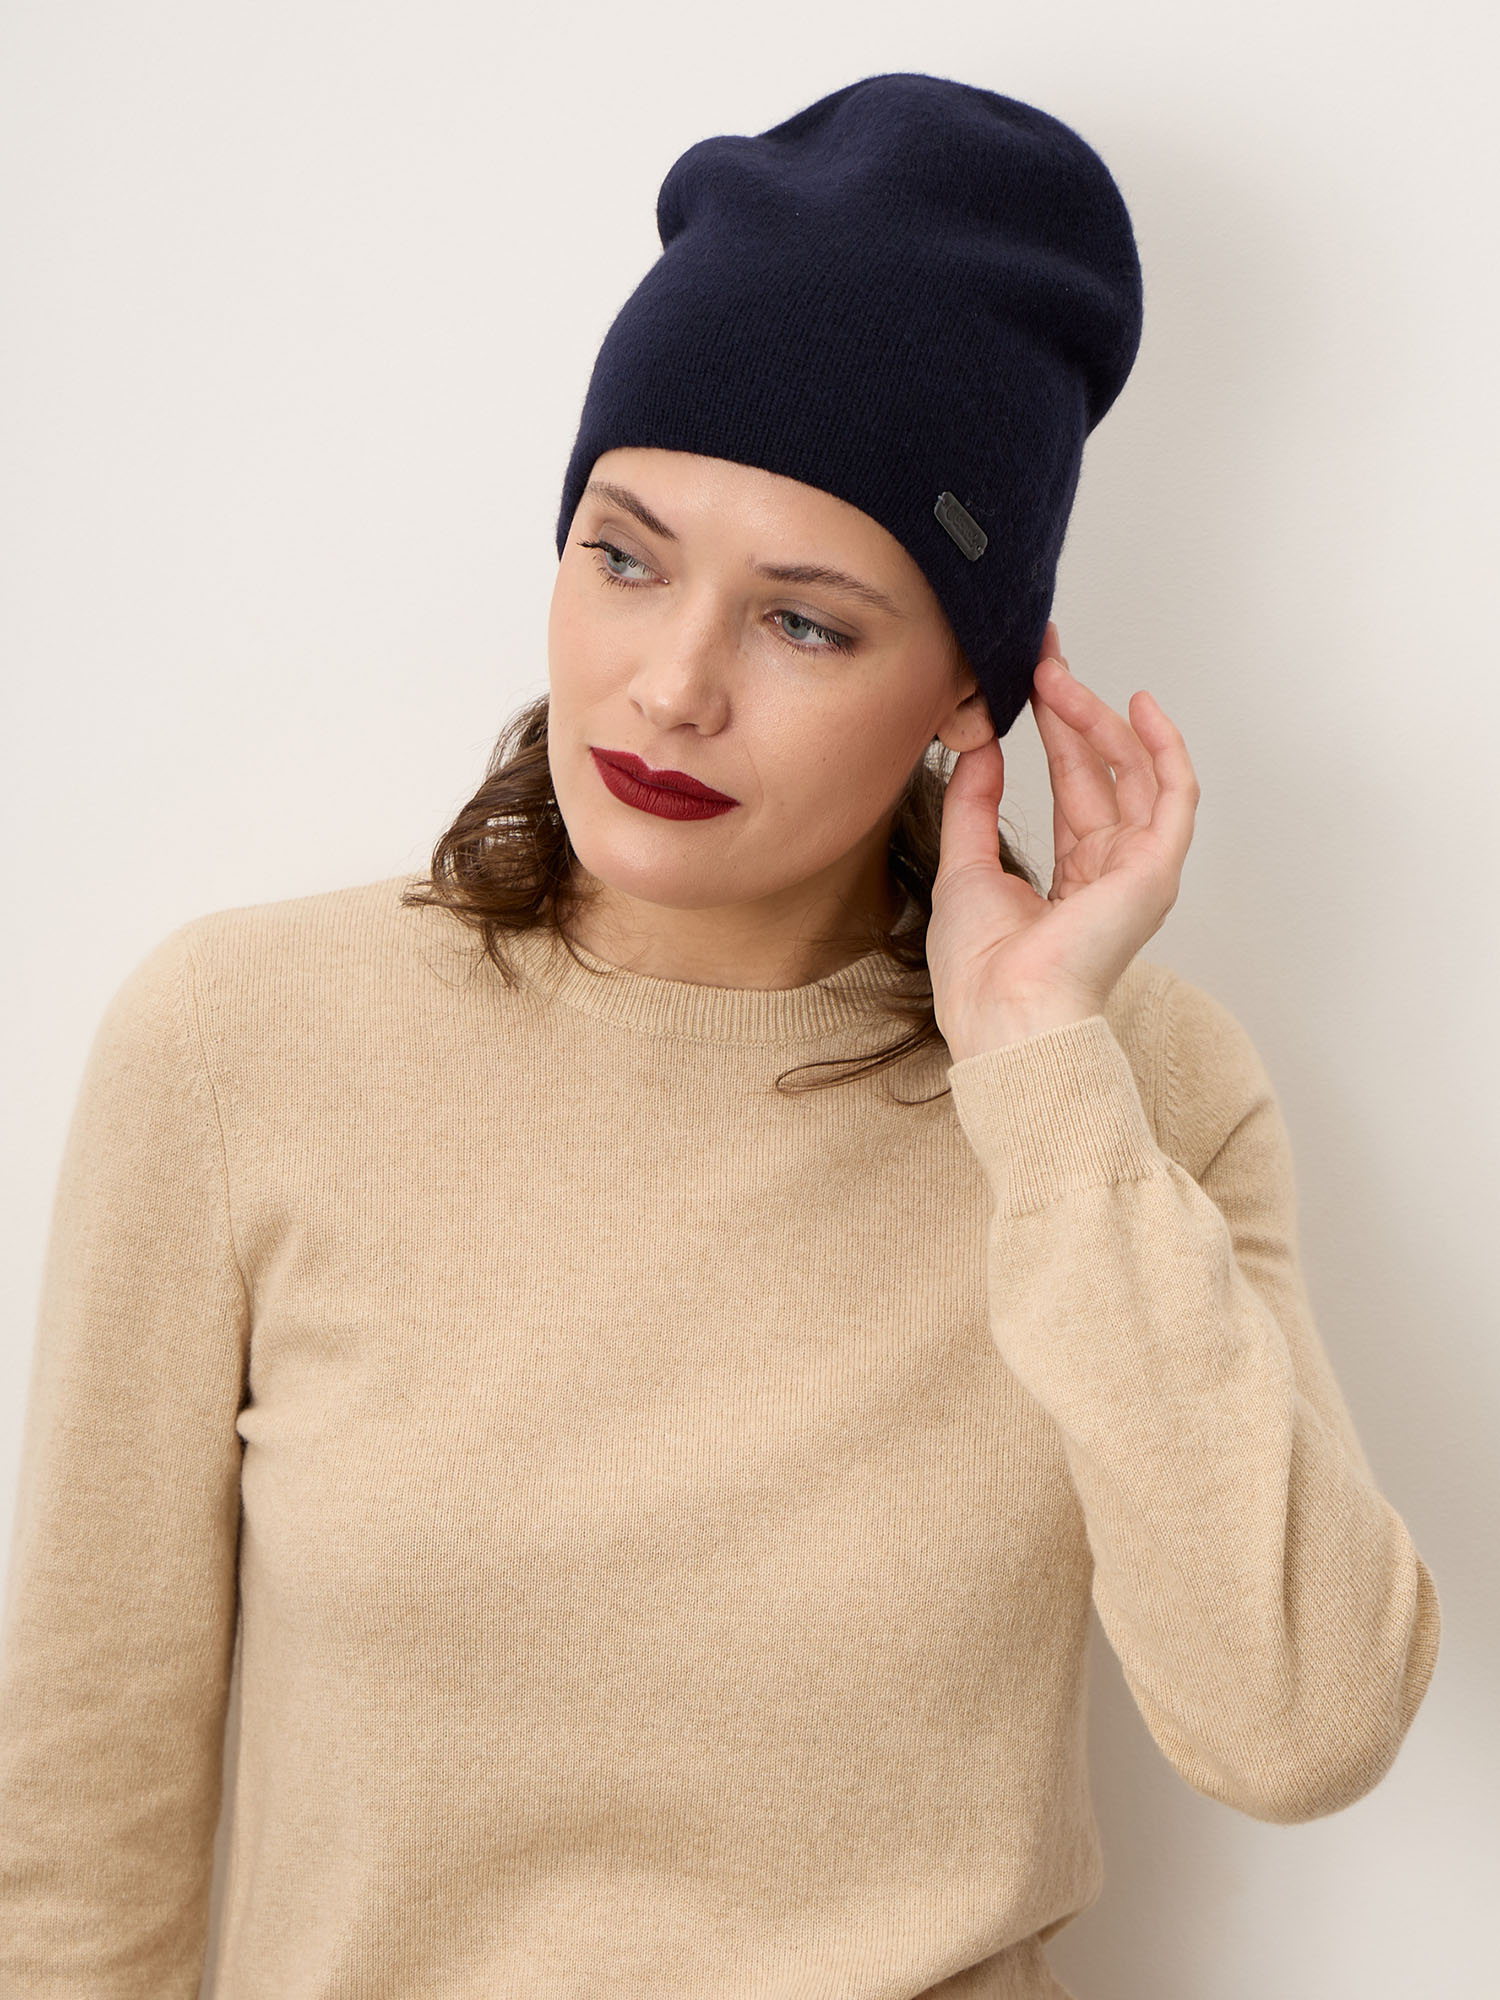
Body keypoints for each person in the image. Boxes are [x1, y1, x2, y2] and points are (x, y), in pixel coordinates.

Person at [0, 70, 1440, 2000]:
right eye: (624, 553)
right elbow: (74, 1838)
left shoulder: (1129, 1097)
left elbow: (1302, 1729)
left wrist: (1041, 1080)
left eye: (807, 623)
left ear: (972, 692)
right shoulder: (241, 1047)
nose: (670, 685)